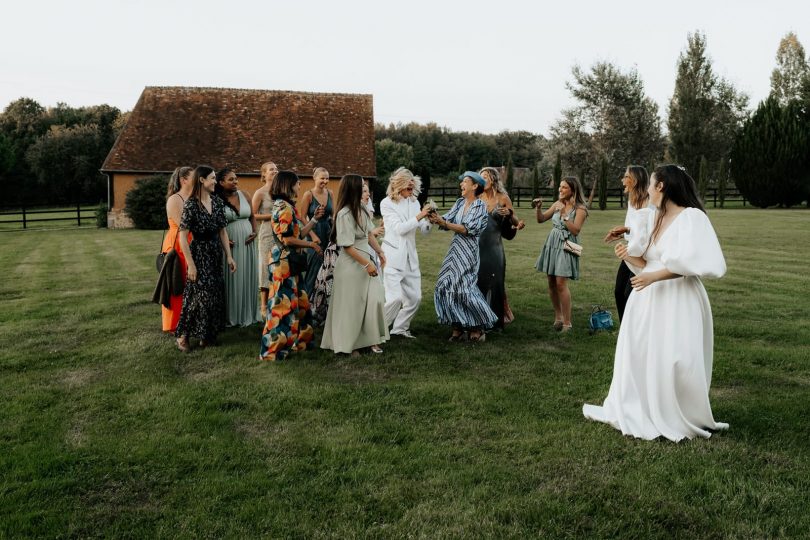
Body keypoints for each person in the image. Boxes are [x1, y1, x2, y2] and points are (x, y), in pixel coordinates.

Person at [583, 165, 728, 442]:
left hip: (677, 297)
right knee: (642, 352)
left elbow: (690, 264)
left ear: (661, 186)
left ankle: (677, 411)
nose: (647, 189)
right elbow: (649, 261)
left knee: (676, 356)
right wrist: (626, 255)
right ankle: (643, 406)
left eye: (650, 184)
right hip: (648, 297)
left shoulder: (691, 217)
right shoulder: (656, 218)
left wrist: (654, 277)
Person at [321, 174, 389, 356]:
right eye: (362, 186)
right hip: (352, 265)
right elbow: (348, 246)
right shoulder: (343, 214)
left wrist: (380, 252)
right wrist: (367, 264)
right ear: (354, 189)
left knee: (374, 299)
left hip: (366, 260)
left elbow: (369, 235)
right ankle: (349, 345)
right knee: (352, 306)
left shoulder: (362, 209)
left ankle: (369, 339)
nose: (365, 189)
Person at [259, 171, 321, 361]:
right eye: (297, 182)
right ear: (287, 185)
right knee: (282, 307)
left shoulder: (287, 206)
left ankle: (302, 342)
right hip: (283, 263)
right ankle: (273, 351)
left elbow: (298, 233)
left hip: (291, 263)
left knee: (302, 303)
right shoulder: (284, 208)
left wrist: (314, 220)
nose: (299, 185)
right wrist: (311, 245)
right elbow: (288, 239)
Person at [429, 171, 496, 342]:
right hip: (455, 250)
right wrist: (435, 218)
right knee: (445, 284)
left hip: (468, 251)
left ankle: (476, 326)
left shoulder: (479, 206)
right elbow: (448, 220)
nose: (461, 184)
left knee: (464, 288)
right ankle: (457, 327)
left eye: (465, 181)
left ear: (475, 186)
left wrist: (444, 223)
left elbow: (467, 229)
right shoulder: (460, 203)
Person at [175, 165, 236, 352]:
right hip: (198, 253)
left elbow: (223, 232)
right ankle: (183, 335)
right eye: (212, 178)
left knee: (213, 296)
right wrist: (191, 265)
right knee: (197, 297)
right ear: (202, 180)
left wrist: (229, 256)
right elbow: (182, 237)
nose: (215, 182)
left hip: (214, 252)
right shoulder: (191, 204)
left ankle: (206, 335)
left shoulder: (217, 202)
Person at [379, 167, 431, 338]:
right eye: (409, 187)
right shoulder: (386, 203)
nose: (412, 190)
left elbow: (423, 229)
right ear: (399, 185)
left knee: (415, 299)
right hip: (392, 257)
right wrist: (419, 216)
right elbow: (400, 229)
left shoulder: (414, 202)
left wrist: (429, 220)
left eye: (413, 187)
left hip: (410, 257)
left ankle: (400, 329)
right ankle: (376, 330)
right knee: (394, 299)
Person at [533, 176, 589, 332]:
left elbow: (575, 230)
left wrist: (564, 214)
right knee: (551, 280)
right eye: (560, 187)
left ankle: (567, 323)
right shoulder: (557, 204)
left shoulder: (581, 209)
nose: (560, 189)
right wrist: (538, 208)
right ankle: (558, 317)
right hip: (553, 242)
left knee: (561, 283)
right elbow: (541, 219)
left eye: (564, 187)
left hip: (569, 244)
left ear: (573, 189)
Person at [477, 167, 525, 330]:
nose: (482, 180)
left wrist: (510, 214)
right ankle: (478, 316)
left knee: (495, 282)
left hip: (495, 247)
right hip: (477, 246)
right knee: (478, 282)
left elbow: (515, 221)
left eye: (485, 177)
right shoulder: (477, 197)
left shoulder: (503, 198)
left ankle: (496, 321)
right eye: (480, 177)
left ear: (493, 180)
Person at [603, 166, 651, 321]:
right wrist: (623, 232)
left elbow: (648, 231)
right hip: (630, 251)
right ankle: (625, 329)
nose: (622, 180)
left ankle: (635, 329)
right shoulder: (632, 200)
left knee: (630, 293)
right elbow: (635, 228)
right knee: (618, 292)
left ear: (635, 180)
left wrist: (626, 230)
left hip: (642, 256)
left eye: (626, 177)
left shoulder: (649, 202)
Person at [215, 168, 261, 326]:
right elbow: (214, 223)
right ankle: (231, 315)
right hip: (229, 244)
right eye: (231, 180)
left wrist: (255, 232)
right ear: (221, 183)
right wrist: (223, 240)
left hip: (248, 243)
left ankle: (248, 313)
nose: (235, 182)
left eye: (236, 179)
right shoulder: (216, 199)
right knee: (233, 278)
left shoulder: (245, 195)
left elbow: (252, 216)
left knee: (248, 275)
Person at [160, 166, 194, 333]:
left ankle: (191, 321)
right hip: (177, 243)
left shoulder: (194, 197)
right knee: (176, 281)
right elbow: (183, 225)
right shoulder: (175, 199)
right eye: (193, 176)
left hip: (193, 241)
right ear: (183, 180)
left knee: (191, 284)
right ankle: (174, 324)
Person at [299, 167, 334, 297]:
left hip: (328, 232)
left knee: (327, 268)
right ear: (314, 178)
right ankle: (306, 301)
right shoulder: (308, 194)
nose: (325, 181)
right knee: (313, 269)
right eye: (322, 178)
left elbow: (333, 214)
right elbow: (302, 217)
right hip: (313, 231)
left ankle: (321, 302)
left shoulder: (330, 193)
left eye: (327, 178)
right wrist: (312, 235)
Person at [251, 161, 278, 319]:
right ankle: (263, 305)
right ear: (264, 174)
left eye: (276, 169)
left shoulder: (282, 191)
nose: (275, 171)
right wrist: (273, 215)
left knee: (279, 267)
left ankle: (276, 302)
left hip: (281, 233)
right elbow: (253, 215)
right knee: (265, 267)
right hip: (267, 232)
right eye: (271, 169)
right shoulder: (260, 193)